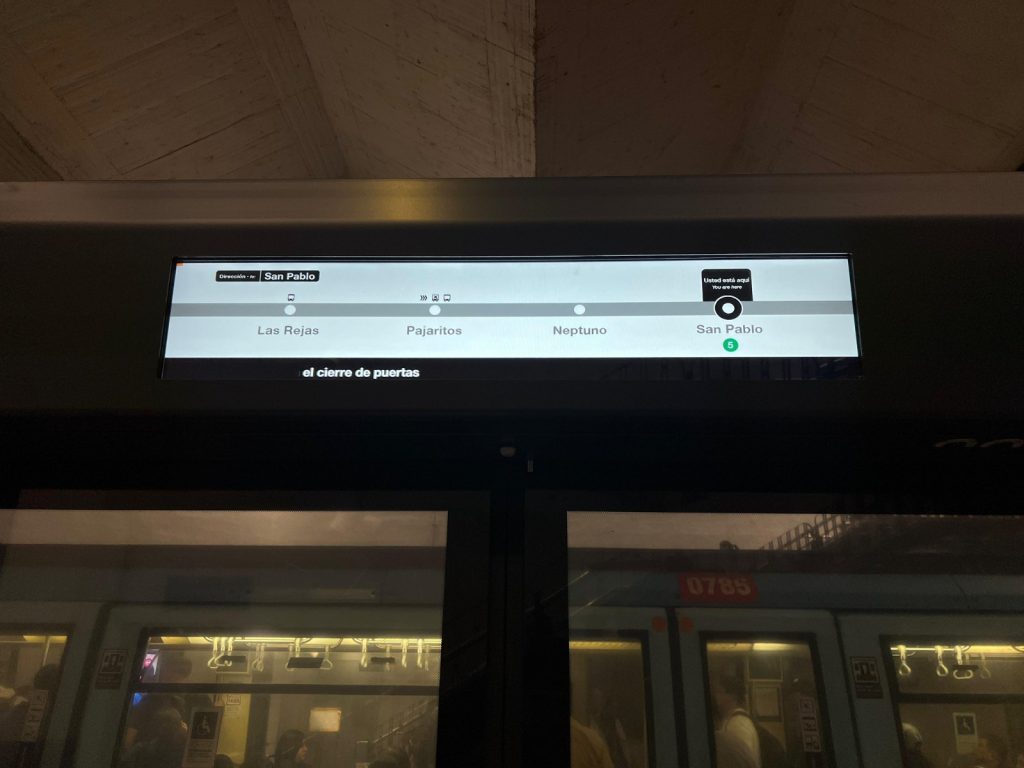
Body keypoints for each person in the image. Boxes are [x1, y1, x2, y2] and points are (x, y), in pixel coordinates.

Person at [122, 653, 212, 751]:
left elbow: (205, 741)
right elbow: (129, 738)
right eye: (166, 672)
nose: (167, 676)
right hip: (152, 753)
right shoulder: (151, 700)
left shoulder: (199, 699)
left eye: (178, 672)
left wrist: (185, 734)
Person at [711, 674, 761, 768]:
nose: (716, 697)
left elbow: (740, 761)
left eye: (720, 692)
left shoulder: (738, 724)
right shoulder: (732, 721)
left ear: (733, 696)